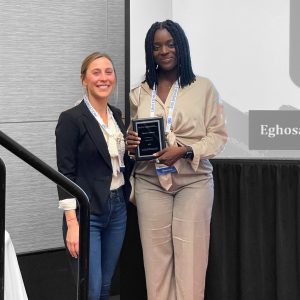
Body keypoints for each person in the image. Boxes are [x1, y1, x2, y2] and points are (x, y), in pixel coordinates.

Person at [126, 20, 227, 300]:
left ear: (181, 46)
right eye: (156, 46)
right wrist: (131, 142)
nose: (164, 51)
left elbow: (218, 136)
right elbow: (134, 135)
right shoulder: (140, 91)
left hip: (192, 182)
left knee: (191, 261)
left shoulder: (204, 88)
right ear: (150, 52)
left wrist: (184, 150)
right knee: (156, 264)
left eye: (170, 44)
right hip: (150, 181)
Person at [55, 52, 131, 300]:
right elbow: (65, 174)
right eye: (96, 72)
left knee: (107, 286)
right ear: (83, 79)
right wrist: (72, 223)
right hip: (87, 213)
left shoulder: (117, 116)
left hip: (117, 207)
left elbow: (118, 162)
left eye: (108, 72)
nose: (103, 78)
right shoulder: (71, 119)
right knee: (91, 289)